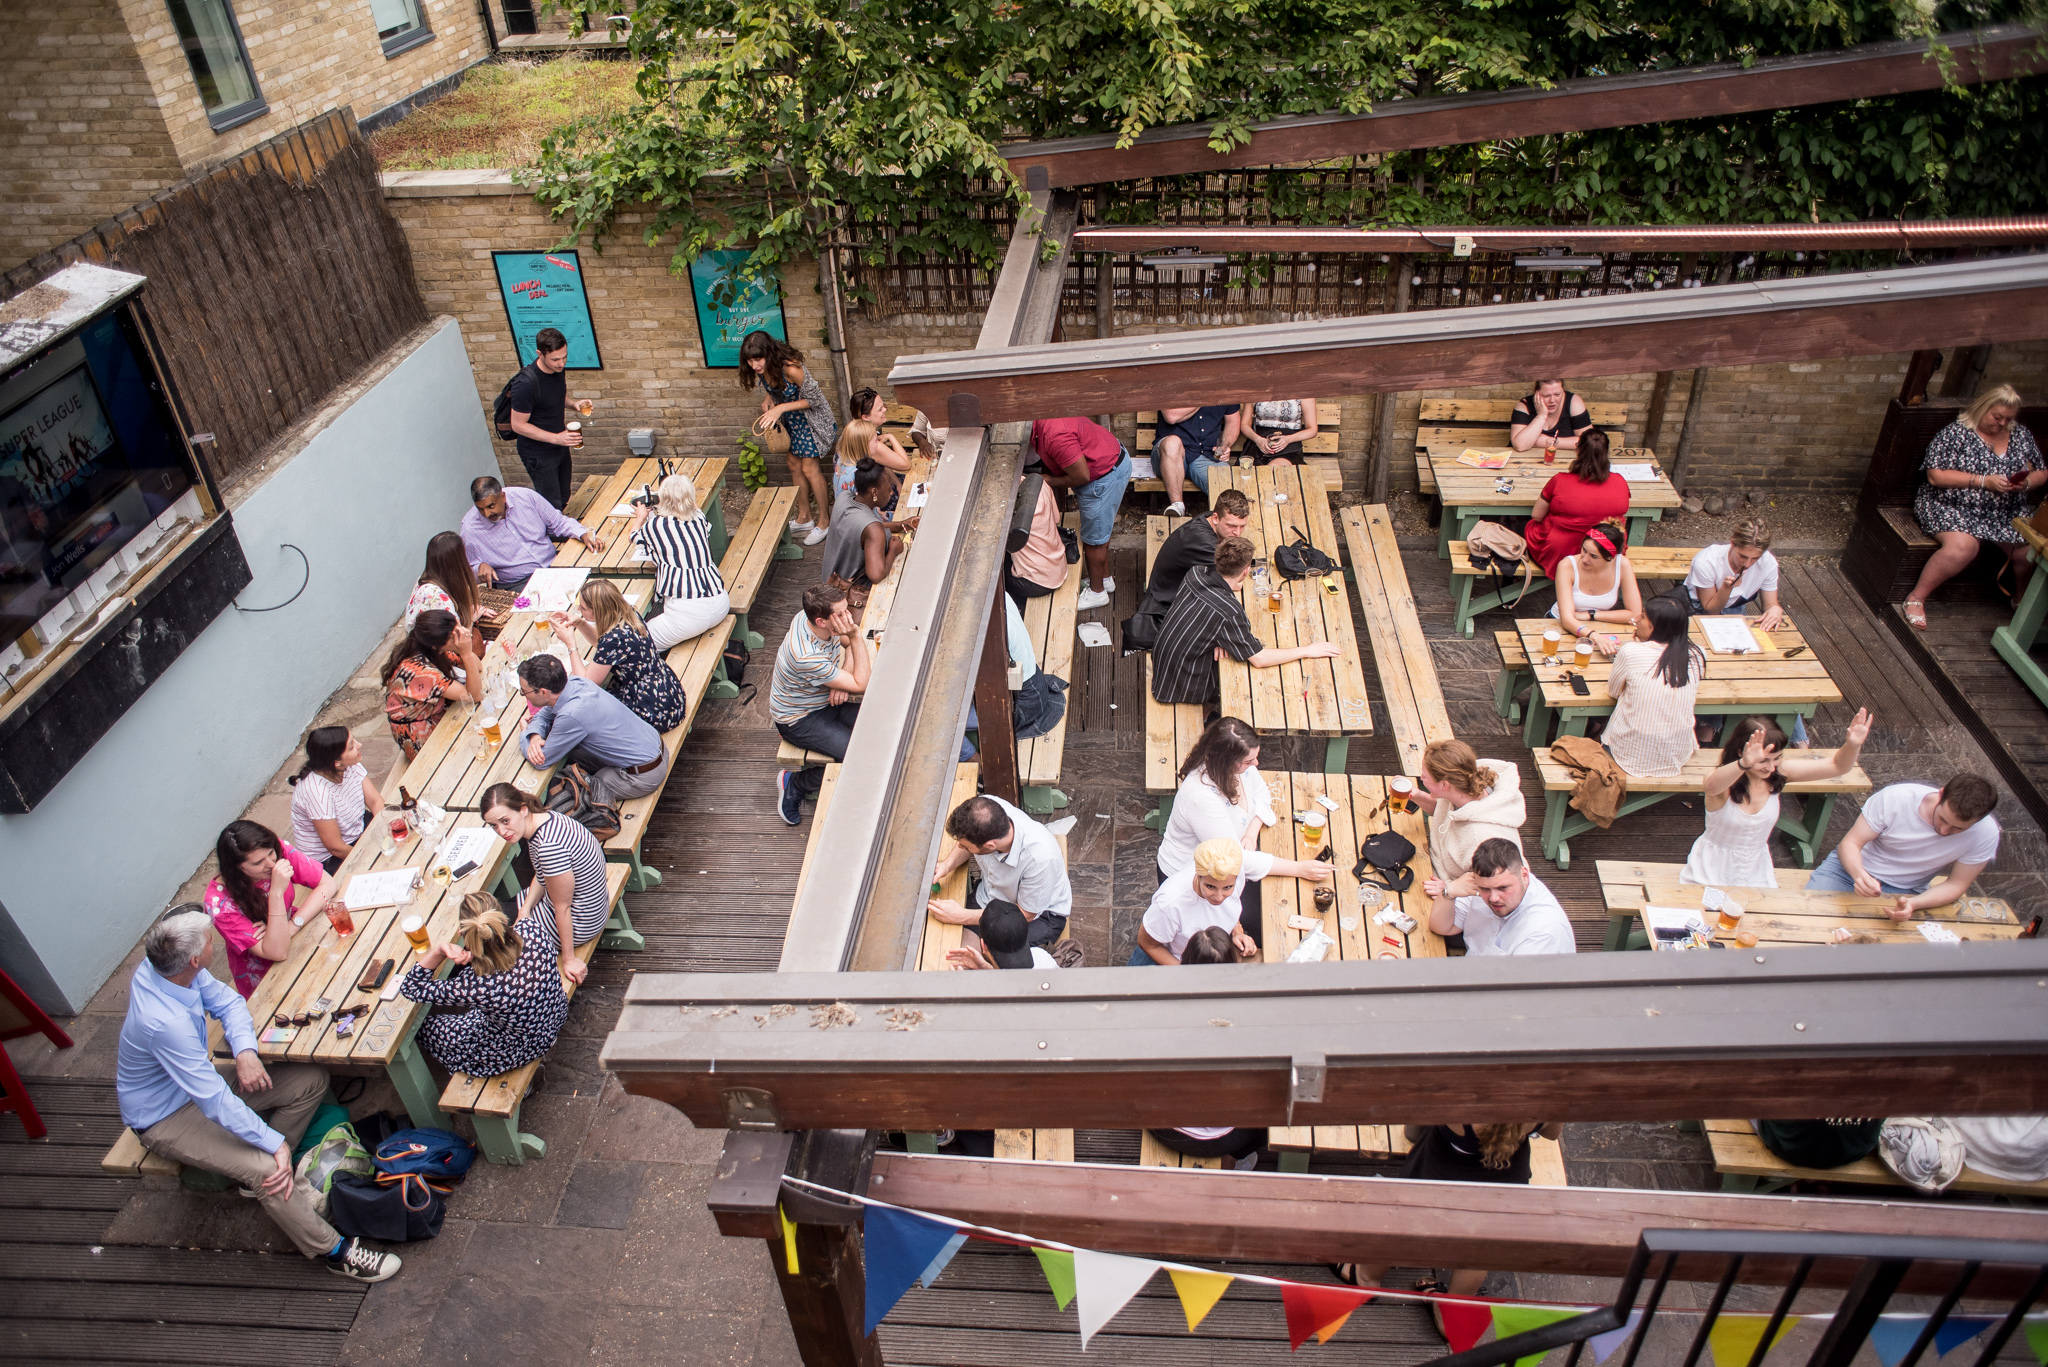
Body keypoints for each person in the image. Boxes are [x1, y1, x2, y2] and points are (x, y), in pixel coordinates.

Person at [117, 908, 401, 1281]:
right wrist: (274, 1144)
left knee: (310, 1080)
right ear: (195, 958)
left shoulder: (173, 972)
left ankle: (270, 1179)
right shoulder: (164, 1022)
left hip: (195, 1083)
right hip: (165, 1116)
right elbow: (214, 1100)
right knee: (267, 1167)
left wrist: (245, 1053)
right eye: (208, 939)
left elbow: (230, 1004)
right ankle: (335, 1250)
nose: (213, 939)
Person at [1334, 1121, 1563, 1297]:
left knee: (1403, 1223)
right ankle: (1449, 1314)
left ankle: (1365, 1278)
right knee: (1479, 1252)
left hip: (1441, 1174)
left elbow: (1415, 1122)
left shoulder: (1463, 1103)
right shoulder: (1547, 1099)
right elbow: (1552, 1134)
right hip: (1504, 1184)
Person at [1905, 386, 2044, 629]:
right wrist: (1983, 481)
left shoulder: (2020, 435)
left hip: (2003, 511)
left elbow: (2042, 471)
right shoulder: (1956, 433)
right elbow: (1935, 476)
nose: (2002, 424)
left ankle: (2022, 601)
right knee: (1963, 548)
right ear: (1983, 408)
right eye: (1997, 417)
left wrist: (2026, 484)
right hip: (1951, 504)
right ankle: (1915, 598)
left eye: (2008, 419)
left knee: (2029, 550)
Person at [1682, 710, 1871, 887]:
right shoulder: (1724, 782)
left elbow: (1838, 766)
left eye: (1777, 758)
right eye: (1763, 760)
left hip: (1756, 871)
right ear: (1741, 752)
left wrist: (1852, 745)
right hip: (1711, 870)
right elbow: (1711, 786)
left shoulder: (1779, 773)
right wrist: (1743, 764)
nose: (1771, 767)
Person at [1149, 535, 1341, 706]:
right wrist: (1308, 650)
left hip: (1164, 665)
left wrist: (1220, 637)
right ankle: (1210, 714)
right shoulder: (1229, 612)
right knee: (1245, 688)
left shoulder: (1196, 573)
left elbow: (1210, 605)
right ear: (1246, 571)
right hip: (1180, 685)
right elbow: (1259, 658)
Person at [402, 893, 568, 1079]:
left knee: (425, 1027)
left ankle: (517, 1080)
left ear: (463, 934)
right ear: (502, 919)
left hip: (521, 1048)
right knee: (482, 1013)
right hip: (554, 1014)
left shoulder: (476, 985)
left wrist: (440, 951)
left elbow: (411, 987)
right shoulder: (532, 930)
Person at [1806, 774, 2001, 918]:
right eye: (1942, 818)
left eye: (1958, 829)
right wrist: (1859, 875)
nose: (1944, 830)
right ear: (1941, 794)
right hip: (1848, 871)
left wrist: (1913, 904)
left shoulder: (1986, 833)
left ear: (1980, 820)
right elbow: (1849, 844)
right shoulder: (1896, 798)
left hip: (1911, 890)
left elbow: (1956, 884)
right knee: (1810, 917)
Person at [482, 783, 608, 985]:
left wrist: (569, 959)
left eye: (505, 821)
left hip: (581, 922)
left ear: (522, 809)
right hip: (590, 904)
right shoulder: (547, 820)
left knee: (486, 932)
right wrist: (525, 909)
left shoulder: (549, 847)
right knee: (499, 913)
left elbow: (563, 908)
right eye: (494, 825)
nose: (501, 831)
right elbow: (543, 875)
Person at [1133, 837, 1331, 964]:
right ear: (1198, 875)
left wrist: (1237, 932)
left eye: (1227, 888)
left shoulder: (1236, 872)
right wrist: (1187, 977)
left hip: (1216, 956)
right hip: (1179, 962)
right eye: (1210, 887)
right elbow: (1148, 944)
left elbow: (1227, 911)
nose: (1219, 897)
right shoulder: (1170, 903)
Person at [204, 821, 340, 998]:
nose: (270, 863)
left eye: (270, 853)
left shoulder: (272, 850)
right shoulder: (219, 903)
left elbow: (328, 884)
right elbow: (276, 952)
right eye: (258, 863)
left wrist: (291, 925)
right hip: (267, 974)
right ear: (236, 867)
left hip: (300, 934)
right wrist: (276, 893)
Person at [772, 584, 871, 821]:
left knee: (878, 724)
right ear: (821, 622)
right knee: (858, 760)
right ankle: (795, 783)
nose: (849, 618)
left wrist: (841, 676)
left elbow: (847, 650)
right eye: (841, 614)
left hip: (824, 701)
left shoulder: (806, 617)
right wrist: (855, 634)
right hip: (800, 718)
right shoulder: (805, 656)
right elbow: (862, 683)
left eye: (846, 609)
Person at [518, 652, 669, 808]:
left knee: (576, 795)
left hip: (644, 775)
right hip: (655, 748)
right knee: (574, 756)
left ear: (543, 692)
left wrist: (525, 733)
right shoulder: (574, 683)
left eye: (524, 692)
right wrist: (535, 736)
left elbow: (542, 760)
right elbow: (544, 714)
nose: (524, 695)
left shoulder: (571, 714)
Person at [926, 795, 1072, 950]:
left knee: (994, 959)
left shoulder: (1040, 859)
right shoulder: (986, 808)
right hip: (991, 895)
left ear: (990, 846)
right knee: (958, 952)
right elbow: (967, 839)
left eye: (966, 847)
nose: (960, 848)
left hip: (1038, 916)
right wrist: (946, 865)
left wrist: (961, 916)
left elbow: (1026, 914)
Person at [552, 578, 688, 733]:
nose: (579, 610)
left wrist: (571, 645)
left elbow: (586, 684)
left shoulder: (613, 640)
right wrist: (581, 623)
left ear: (597, 610)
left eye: (583, 608)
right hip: (667, 691)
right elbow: (604, 646)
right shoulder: (628, 614)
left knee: (585, 713)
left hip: (651, 707)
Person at [740, 331, 835, 546]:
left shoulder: (791, 368)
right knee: (793, 464)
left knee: (810, 469)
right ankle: (804, 518)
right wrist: (769, 398)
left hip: (812, 422)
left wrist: (780, 407)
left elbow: (816, 400)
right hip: (792, 421)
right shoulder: (764, 369)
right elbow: (772, 387)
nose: (754, 365)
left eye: (758, 359)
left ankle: (825, 521)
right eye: (750, 360)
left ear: (769, 354)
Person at [1030, 415, 1131, 611]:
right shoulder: (1045, 416)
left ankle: (1097, 593)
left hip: (1103, 477)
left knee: (1094, 540)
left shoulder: (1055, 436)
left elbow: (1081, 475)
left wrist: (1050, 481)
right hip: (1112, 459)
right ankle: (1105, 579)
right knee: (1101, 531)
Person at [626, 472, 730, 650]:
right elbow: (693, 507)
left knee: (637, 643)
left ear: (662, 498)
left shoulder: (656, 525)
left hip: (688, 614)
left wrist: (641, 517)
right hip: (720, 603)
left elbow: (634, 537)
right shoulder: (699, 519)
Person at [1602, 596, 1705, 778]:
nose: (1636, 620)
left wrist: (1639, 644)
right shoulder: (1697, 654)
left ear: (1653, 628)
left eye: (1641, 617)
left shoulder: (1630, 651)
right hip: (1677, 753)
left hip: (1629, 755)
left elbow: (1614, 692)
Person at [1425, 838, 1575, 957]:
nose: (1493, 898)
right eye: (1484, 888)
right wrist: (1449, 892)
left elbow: (1519, 992)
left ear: (1524, 875)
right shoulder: (1481, 885)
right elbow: (1442, 927)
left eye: (1503, 888)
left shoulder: (1542, 933)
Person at [460, 476, 602, 591]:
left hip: (554, 564)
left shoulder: (525, 497)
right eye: (481, 509)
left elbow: (557, 522)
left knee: (593, 591)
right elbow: (468, 569)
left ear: (503, 497)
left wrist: (583, 534)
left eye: (491, 506)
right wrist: (479, 567)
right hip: (517, 583)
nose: (486, 513)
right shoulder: (470, 528)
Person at [1522, 428, 1630, 579]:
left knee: (1522, 525)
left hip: (1560, 553)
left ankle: (1511, 582)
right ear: (1606, 452)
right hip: (1606, 553)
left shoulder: (1560, 480)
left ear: (1578, 450)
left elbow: (1537, 516)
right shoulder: (1620, 481)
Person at [382, 609, 483, 760]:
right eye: (454, 634)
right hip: (418, 733)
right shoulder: (421, 671)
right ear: (436, 645)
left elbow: (478, 667)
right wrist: (466, 652)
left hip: (434, 712)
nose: (459, 636)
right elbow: (472, 696)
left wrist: (464, 650)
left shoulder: (431, 646)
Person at [1420, 739, 1526, 883]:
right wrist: (1416, 795)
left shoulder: (1480, 837)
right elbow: (1442, 812)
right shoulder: (1465, 787)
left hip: (1460, 892)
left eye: (1425, 777)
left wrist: (1449, 890)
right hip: (1439, 863)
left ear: (1445, 785)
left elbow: (1498, 888)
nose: (1421, 779)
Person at [288, 726, 384, 874]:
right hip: (329, 858)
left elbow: (375, 802)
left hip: (356, 827)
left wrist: (386, 829)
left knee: (401, 826)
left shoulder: (349, 764)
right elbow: (335, 847)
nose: (359, 745)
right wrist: (368, 857)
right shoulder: (317, 793)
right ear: (336, 763)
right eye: (352, 746)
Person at [506, 326, 581, 509]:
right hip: (538, 453)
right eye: (555, 359)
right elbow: (518, 425)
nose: (561, 363)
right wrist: (556, 438)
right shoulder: (525, 384)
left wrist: (573, 404)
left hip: (559, 445)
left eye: (564, 357)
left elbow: (553, 396)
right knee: (550, 504)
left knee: (564, 496)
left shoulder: (557, 370)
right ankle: (555, 536)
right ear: (539, 353)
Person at [821, 459, 910, 590]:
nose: (891, 493)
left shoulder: (844, 498)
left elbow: (860, 529)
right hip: (850, 592)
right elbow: (876, 574)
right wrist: (893, 550)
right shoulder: (873, 528)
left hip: (829, 582)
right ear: (874, 492)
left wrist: (901, 525)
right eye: (888, 488)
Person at [1551, 523, 1642, 647]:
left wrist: (1591, 615)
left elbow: (1635, 614)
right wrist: (1594, 636)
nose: (1584, 559)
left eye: (1593, 556)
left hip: (1599, 625)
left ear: (1610, 558)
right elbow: (1567, 620)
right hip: (1559, 624)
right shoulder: (1567, 565)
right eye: (1584, 550)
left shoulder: (1622, 565)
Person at [1685, 520, 1785, 628]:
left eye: (1755, 558)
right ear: (1732, 543)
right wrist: (1726, 588)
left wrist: (1774, 610)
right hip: (1698, 606)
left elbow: (1770, 604)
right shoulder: (1706, 561)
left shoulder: (1768, 563)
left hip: (1735, 606)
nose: (1747, 564)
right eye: (1743, 556)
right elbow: (1710, 610)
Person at [1152, 403, 1240, 515]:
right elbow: (1171, 417)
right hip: (1169, 457)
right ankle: (1177, 506)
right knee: (1172, 443)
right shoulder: (1171, 386)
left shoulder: (1224, 389)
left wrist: (1224, 446)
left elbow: (1233, 421)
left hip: (1206, 455)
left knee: (1230, 494)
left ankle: (1221, 526)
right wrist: (1202, 398)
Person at [406, 531, 500, 631]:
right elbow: (457, 643)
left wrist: (469, 611)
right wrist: (471, 620)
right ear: (458, 561)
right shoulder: (439, 598)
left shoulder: (423, 580)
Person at [1007, 475, 1068, 610]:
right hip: (1058, 565)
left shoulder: (1013, 512)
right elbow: (1056, 518)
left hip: (1038, 583)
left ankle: (1018, 608)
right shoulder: (1039, 483)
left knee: (996, 577)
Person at [945, 901, 1061, 971]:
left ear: (983, 945)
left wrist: (957, 990)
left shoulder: (985, 993)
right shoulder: (1042, 957)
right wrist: (985, 968)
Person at [831, 418, 911, 511]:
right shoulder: (858, 476)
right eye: (876, 441)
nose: (878, 444)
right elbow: (865, 512)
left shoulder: (844, 459)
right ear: (864, 445)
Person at [1509, 378, 1592, 457]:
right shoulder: (1524, 406)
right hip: (1525, 463)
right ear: (1536, 393)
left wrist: (1549, 442)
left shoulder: (1573, 402)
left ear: (1563, 391)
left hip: (1563, 462)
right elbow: (1520, 445)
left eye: (1557, 394)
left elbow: (1589, 441)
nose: (1552, 400)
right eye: (1546, 396)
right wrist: (1541, 416)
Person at [1237, 398, 1318, 466]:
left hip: (1289, 445)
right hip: (1260, 443)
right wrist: (1258, 440)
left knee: (1274, 468)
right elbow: (1244, 425)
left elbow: (1312, 430)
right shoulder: (1257, 389)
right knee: (1249, 472)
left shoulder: (1304, 391)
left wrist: (1289, 439)